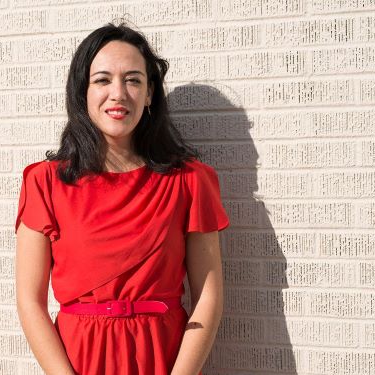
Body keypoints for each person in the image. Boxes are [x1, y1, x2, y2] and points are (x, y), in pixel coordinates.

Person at [14, 21, 230, 375]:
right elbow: (30, 301)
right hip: (78, 360)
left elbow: (208, 296)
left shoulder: (190, 181)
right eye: (102, 80)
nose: (118, 93)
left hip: (163, 358)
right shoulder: (44, 183)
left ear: (149, 95)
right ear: (82, 91)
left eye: (133, 80)